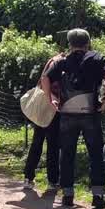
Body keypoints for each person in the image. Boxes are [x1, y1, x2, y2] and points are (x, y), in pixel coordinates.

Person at [40, 29, 105, 209]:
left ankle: (67, 195)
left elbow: (45, 78)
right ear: (88, 42)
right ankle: (97, 196)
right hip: (90, 113)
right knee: (96, 153)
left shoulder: (63, 61)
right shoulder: (97, 58)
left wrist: (50, 100)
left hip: (67, 113)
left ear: (70, 44)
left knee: (67, 154)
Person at [23, 50, 65, 192]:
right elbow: (45, 80)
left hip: (43, 107)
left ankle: (28, 177)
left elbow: (42, 80)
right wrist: (53, 98)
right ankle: (52, 181)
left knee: (38, 142)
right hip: (53, 107)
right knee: (53, 145)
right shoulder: (59, 62)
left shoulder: (52, 60)